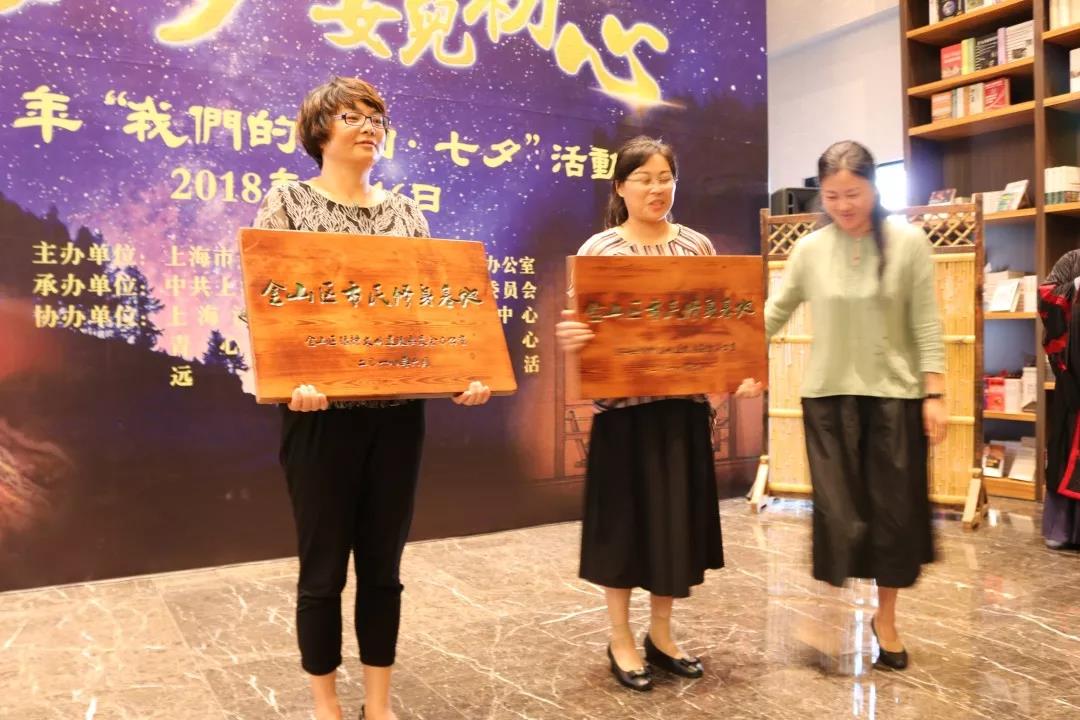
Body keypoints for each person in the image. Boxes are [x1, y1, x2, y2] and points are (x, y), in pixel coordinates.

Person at [252, 76, 491, 720]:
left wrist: (465, 372)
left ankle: (378, 705)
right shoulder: (287, 203)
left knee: (384, 568)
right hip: (318, 419)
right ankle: (327, 706)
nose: (368, 126)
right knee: (323, 570)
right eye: (352, 116)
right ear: (318, 132)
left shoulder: (406, 214)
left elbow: (434, 312)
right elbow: (263, 305)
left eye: (375, 117)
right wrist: (289, 380)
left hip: (397, 418)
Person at [556, 136, 760, 691]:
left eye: (665, 177)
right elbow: (585, 334)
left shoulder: (696, 246)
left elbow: (723, 325)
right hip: (624, 417)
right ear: (620, 187)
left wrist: (739, 371)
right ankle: (620, 637)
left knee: (675, 530)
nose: (656, 188)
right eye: (643, 178)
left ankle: (662, 635)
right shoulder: (600, 251)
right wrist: (574, 340)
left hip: (682, 414)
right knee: (622, 532)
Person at [763, 140, 947, 671]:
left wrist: (935, 393)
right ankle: (831, 610)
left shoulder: (909, 243)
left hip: (896, 398)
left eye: (854, 193)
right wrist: (735, 361)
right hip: (828, 398)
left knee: (894, 518)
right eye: (833, 196)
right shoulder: (809, 250)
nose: (844, 205)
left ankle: (885, 620)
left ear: (874, 188)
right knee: (838, 516)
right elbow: (774, 312)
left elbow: (927, 322)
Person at [1038, 249, 1080, 550]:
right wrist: (1076, 285)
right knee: (1068, 445)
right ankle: (1064, 529)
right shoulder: (1072, 261)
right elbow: (1046, 297)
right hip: (1075, 377)